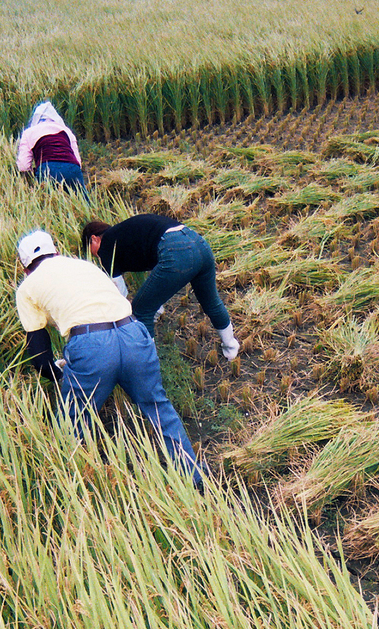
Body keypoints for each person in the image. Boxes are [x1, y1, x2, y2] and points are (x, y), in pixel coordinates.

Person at [15, 229, 205, 489]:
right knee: (159, 408)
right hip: (133, 334)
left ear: (25, 267)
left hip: (91, 345)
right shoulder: (85, 266)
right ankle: (196, 479)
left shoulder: (27, 288)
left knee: (72, 422)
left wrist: (63, 375)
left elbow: (39, 356)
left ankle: (73, 489)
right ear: (56, 252)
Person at [81, 215, 240, 359]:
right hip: (198, 242)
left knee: (141, 311)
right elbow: (159, 280)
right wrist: (155, 304)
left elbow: (119, 293)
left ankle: (148, 365)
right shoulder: (125, 237)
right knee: (211, 302)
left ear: (94, 239)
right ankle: (231, 347)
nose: (95, 257)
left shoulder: (107, 246)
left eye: (91, 251)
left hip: (176, 249)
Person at [16, 102, 90, 199]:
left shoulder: (28, 132)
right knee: (83, 204)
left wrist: (32, 177)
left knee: (50, 206)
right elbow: (78, 162)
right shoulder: (67, 131)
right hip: (72, 169)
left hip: (47, 170)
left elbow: (23, 166)